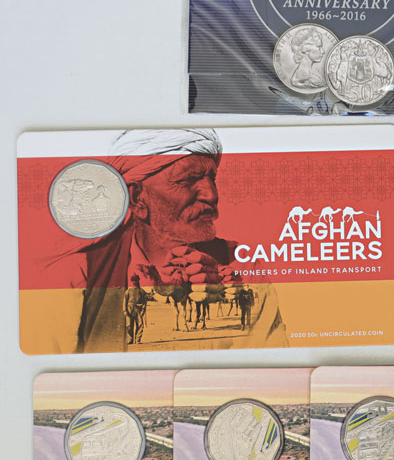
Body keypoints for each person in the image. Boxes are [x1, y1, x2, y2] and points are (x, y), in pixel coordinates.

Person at [48, 129, 286, 353]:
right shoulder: (81, 271)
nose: (211, 195)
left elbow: (266, 365)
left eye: (211, 178)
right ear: (138, 198)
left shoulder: (241, 265)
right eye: (188, 180)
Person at [122, 274, 150, 345]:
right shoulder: (128, 291)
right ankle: (130, 340)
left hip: (138, 309)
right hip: (129, 309)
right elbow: (125, 301)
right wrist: (125, 310)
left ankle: (138, 340)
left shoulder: (141, 291)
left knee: (140, 325)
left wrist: (143, 310)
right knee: (129, 325)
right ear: (132, 281)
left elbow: (144, 301)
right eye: (133, 280)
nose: (134, 282)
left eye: (136, 280)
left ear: (138, 281)